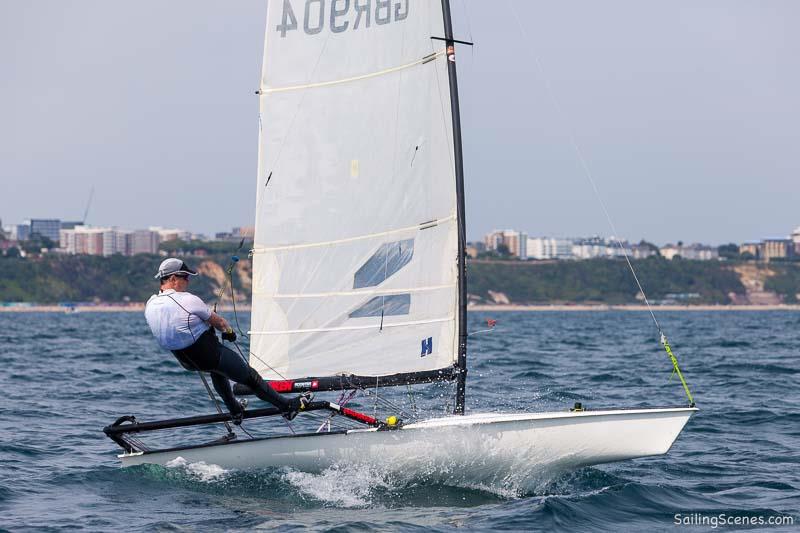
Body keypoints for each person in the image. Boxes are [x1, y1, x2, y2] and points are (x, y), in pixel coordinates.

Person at [144, 257, 310, 423]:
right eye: (185, 277)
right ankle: (287, 407)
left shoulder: (150, 304)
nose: (188, 281)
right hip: (209, 355)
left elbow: (178, 326)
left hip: (188, 362)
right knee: (250, 377)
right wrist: (229, 332)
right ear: (173, 278)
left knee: (217, 371)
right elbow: (220, 322)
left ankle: (236, 412)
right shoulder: (187, 299)